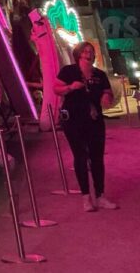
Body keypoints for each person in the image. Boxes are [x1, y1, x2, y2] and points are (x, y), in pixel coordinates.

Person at [54, 41, 118, 211]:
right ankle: (85, 197)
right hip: (73, 121)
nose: (89, 53)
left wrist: (106, 97)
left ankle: (100, 195)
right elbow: (56, 88)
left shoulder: (99, 74)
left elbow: (107, 91)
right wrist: (70, 87)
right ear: (79, 53)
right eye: (86, 51)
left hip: (95, 120)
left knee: (97, 157)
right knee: (80, 157)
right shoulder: (69, 71)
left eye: (91, 51)